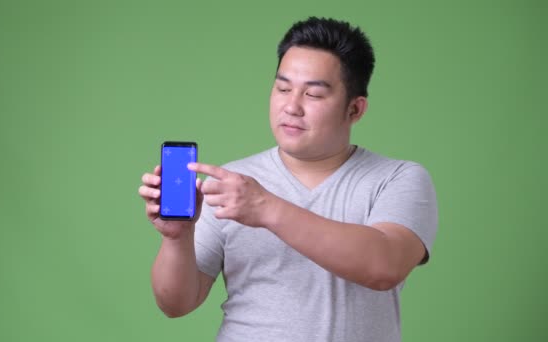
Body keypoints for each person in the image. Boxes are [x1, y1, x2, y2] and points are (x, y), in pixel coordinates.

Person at [139, 16, 438, 342]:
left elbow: (384, 266)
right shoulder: (233, 184)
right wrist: (177, 238)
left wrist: (266, 208)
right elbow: (175, 303)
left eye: (313, 94)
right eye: (282, 88)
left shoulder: (397, 179)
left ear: (355, 109)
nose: (291, 106)